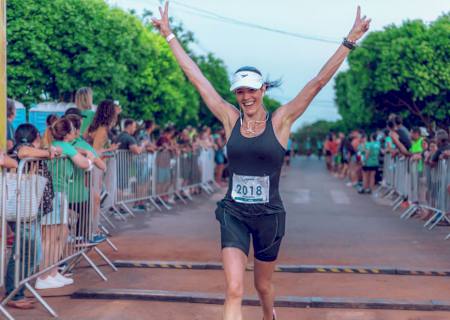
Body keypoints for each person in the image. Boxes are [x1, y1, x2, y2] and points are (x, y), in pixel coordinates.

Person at [152, 3, 370, 320]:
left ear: (263, 90)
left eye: (251, 90)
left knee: (263, 286)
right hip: (234, 213)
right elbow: (198, 79)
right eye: (240, 92)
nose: (246, 97)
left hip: (269, 215)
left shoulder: (280, 121)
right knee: (234, 290)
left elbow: (317, 82)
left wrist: (349, 40)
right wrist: (169, 35)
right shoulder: (229, 119)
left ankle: (269, 315)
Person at [4, 124, 59, 308]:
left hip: (29, 211)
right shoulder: (22, 149)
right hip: (22, 211)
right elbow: (22, 152)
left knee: (27, 253)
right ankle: (14, 293)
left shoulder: (34, 151)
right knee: (29, 253)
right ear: (35, 136)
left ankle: (17, 291)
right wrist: (47, 152)